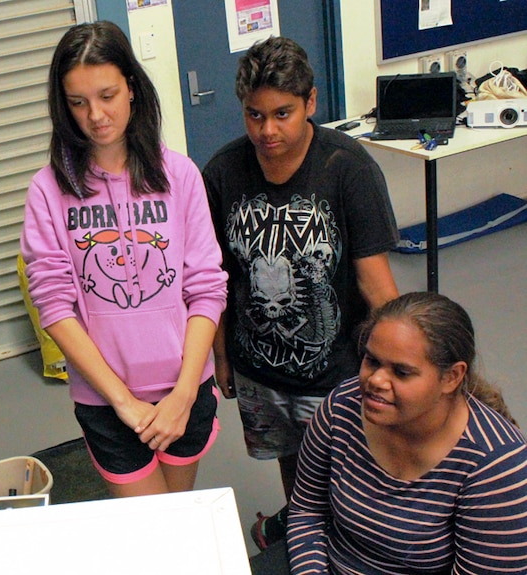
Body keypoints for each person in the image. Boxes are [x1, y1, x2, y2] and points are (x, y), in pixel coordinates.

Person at [203, 36, 399, 549]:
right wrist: (221, 355)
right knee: (294, 470)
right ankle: (297, 530)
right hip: (258, 367)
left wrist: (397, 367)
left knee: (351, 475)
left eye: (283, 113)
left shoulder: (347, 168)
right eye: (254, 115)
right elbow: (214, 277)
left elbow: (375, 283)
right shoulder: (223, 171)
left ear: (311, 103)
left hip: (336, 371)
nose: (267, 130)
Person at [20, 21, 228, 498]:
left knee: (178, 517)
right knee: (149, 531)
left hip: (184, 390)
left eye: (107, 94)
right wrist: (123, 402)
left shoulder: (181, 175)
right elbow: (53, 305)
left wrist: (184, 393)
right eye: (78, 102)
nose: (95, 115)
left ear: (132, 89)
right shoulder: (48, 191)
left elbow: (206, 288)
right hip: (107, 401)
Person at [288, 292, 527, 574]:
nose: (375, 381)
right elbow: (307, 510)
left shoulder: (497, 466)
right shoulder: (343, 405)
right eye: (372, 361)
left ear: (451, 377)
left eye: (401, 372)